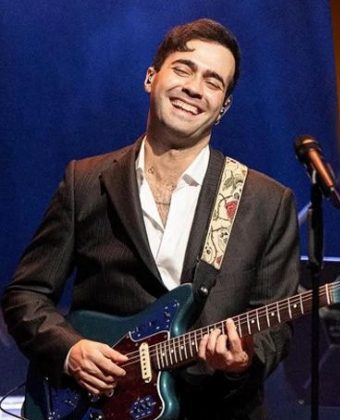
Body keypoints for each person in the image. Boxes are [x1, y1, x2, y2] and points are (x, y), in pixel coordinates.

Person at [1, 18, 299, 419]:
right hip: (97, 406)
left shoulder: (265, 201)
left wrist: (240, 361)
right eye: (183, 69)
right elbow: (26, 294)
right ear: (150, 77)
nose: (194, 88)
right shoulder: (85, 180)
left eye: (213, 82)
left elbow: (274, 329)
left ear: (223, 107)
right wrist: (70, 350)